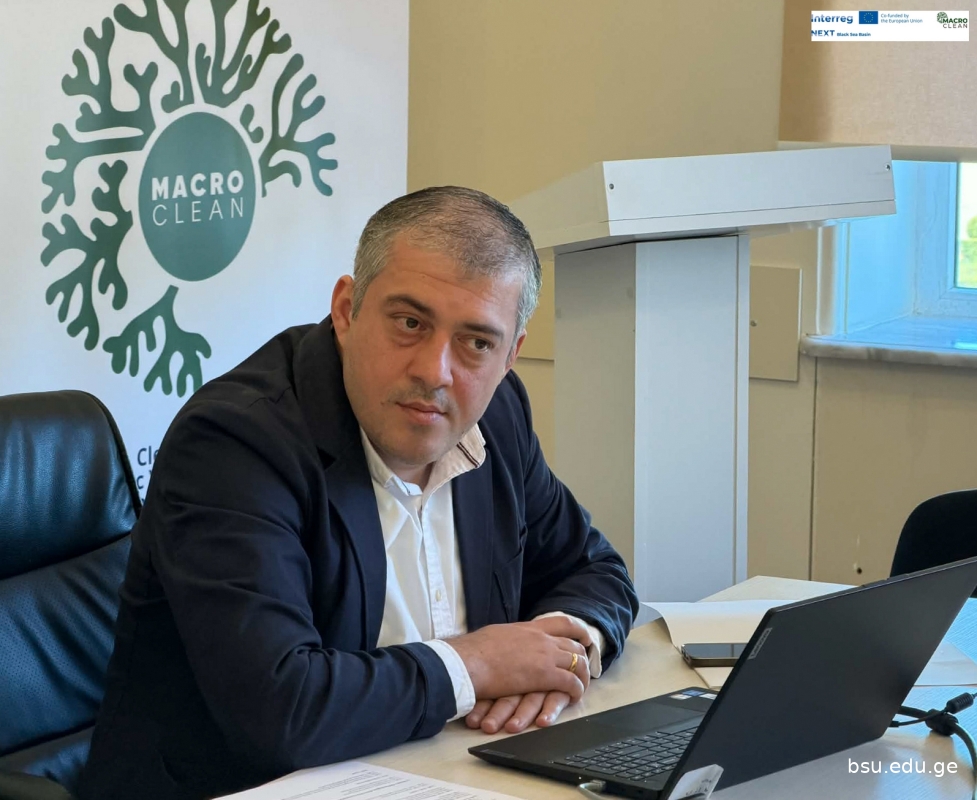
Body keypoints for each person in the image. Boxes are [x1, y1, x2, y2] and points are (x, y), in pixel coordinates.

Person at [79, 186, 639, 800]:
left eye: (477, 342)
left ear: (510, 356)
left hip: (446, 775)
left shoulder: (497, 416)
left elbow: (595, 569)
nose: (435, 371)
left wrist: (559, 653)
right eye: (410, 323)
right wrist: (478, 664)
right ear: (347, 311)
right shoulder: (236, 441)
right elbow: (282, 709)